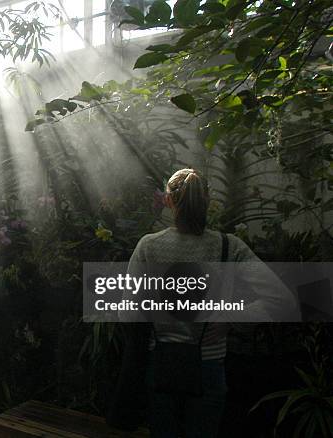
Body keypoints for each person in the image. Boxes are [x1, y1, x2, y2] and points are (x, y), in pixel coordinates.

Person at [122, 168, 297, 438]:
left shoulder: (148, 246)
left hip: (161, 365)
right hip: (209, 367)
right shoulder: (229, 246)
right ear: (208, 200)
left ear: (168, 201)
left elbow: (129, 312)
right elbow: (282, 300)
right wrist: (230, 317)